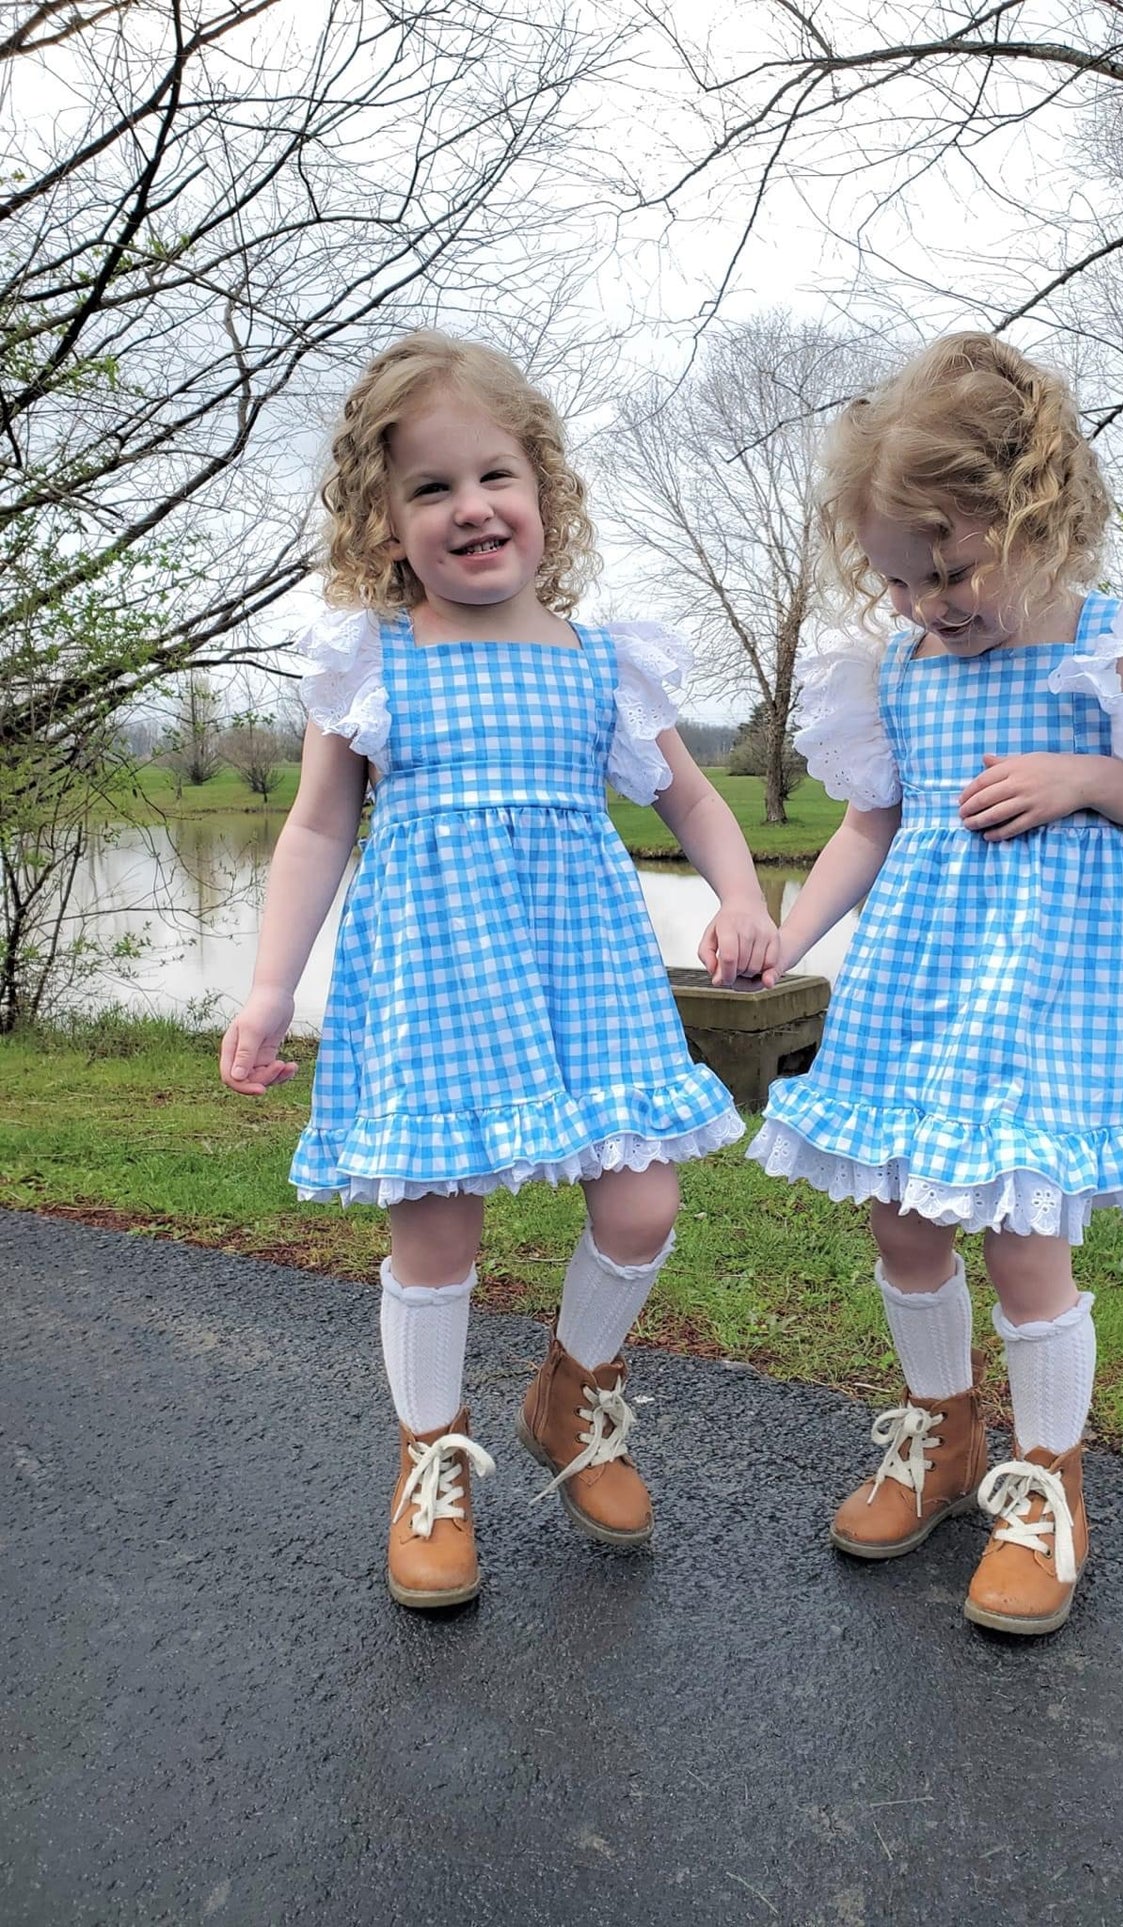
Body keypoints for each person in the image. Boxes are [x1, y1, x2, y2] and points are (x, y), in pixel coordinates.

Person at [220, 331, 777, 1609]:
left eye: (494, 476)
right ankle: (430, 1461)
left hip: (586, 976)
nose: (469, 508)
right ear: (384, 519)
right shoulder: (371, 665)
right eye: (428, 489)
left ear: (544, 488)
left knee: (640, 1205)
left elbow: (689, 800)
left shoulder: (601, 662)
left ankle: (571, 1392)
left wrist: (741, 895)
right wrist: (267, 989)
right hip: (433, 979)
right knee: (436, 1233)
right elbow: (315, 829)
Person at [750, 333, 1123, 1635]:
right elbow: (869, 823)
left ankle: (1047, 1482)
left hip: (1048, 988)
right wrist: (788, 938)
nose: (928, 605)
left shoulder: (1116, 642)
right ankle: (944, 1431)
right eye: (902, 580)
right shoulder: (903, 671)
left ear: (1040, 513)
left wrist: (1089, 779)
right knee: (904, 1219)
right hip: (918, 979)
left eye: (951, 569)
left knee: (1024, 1236)